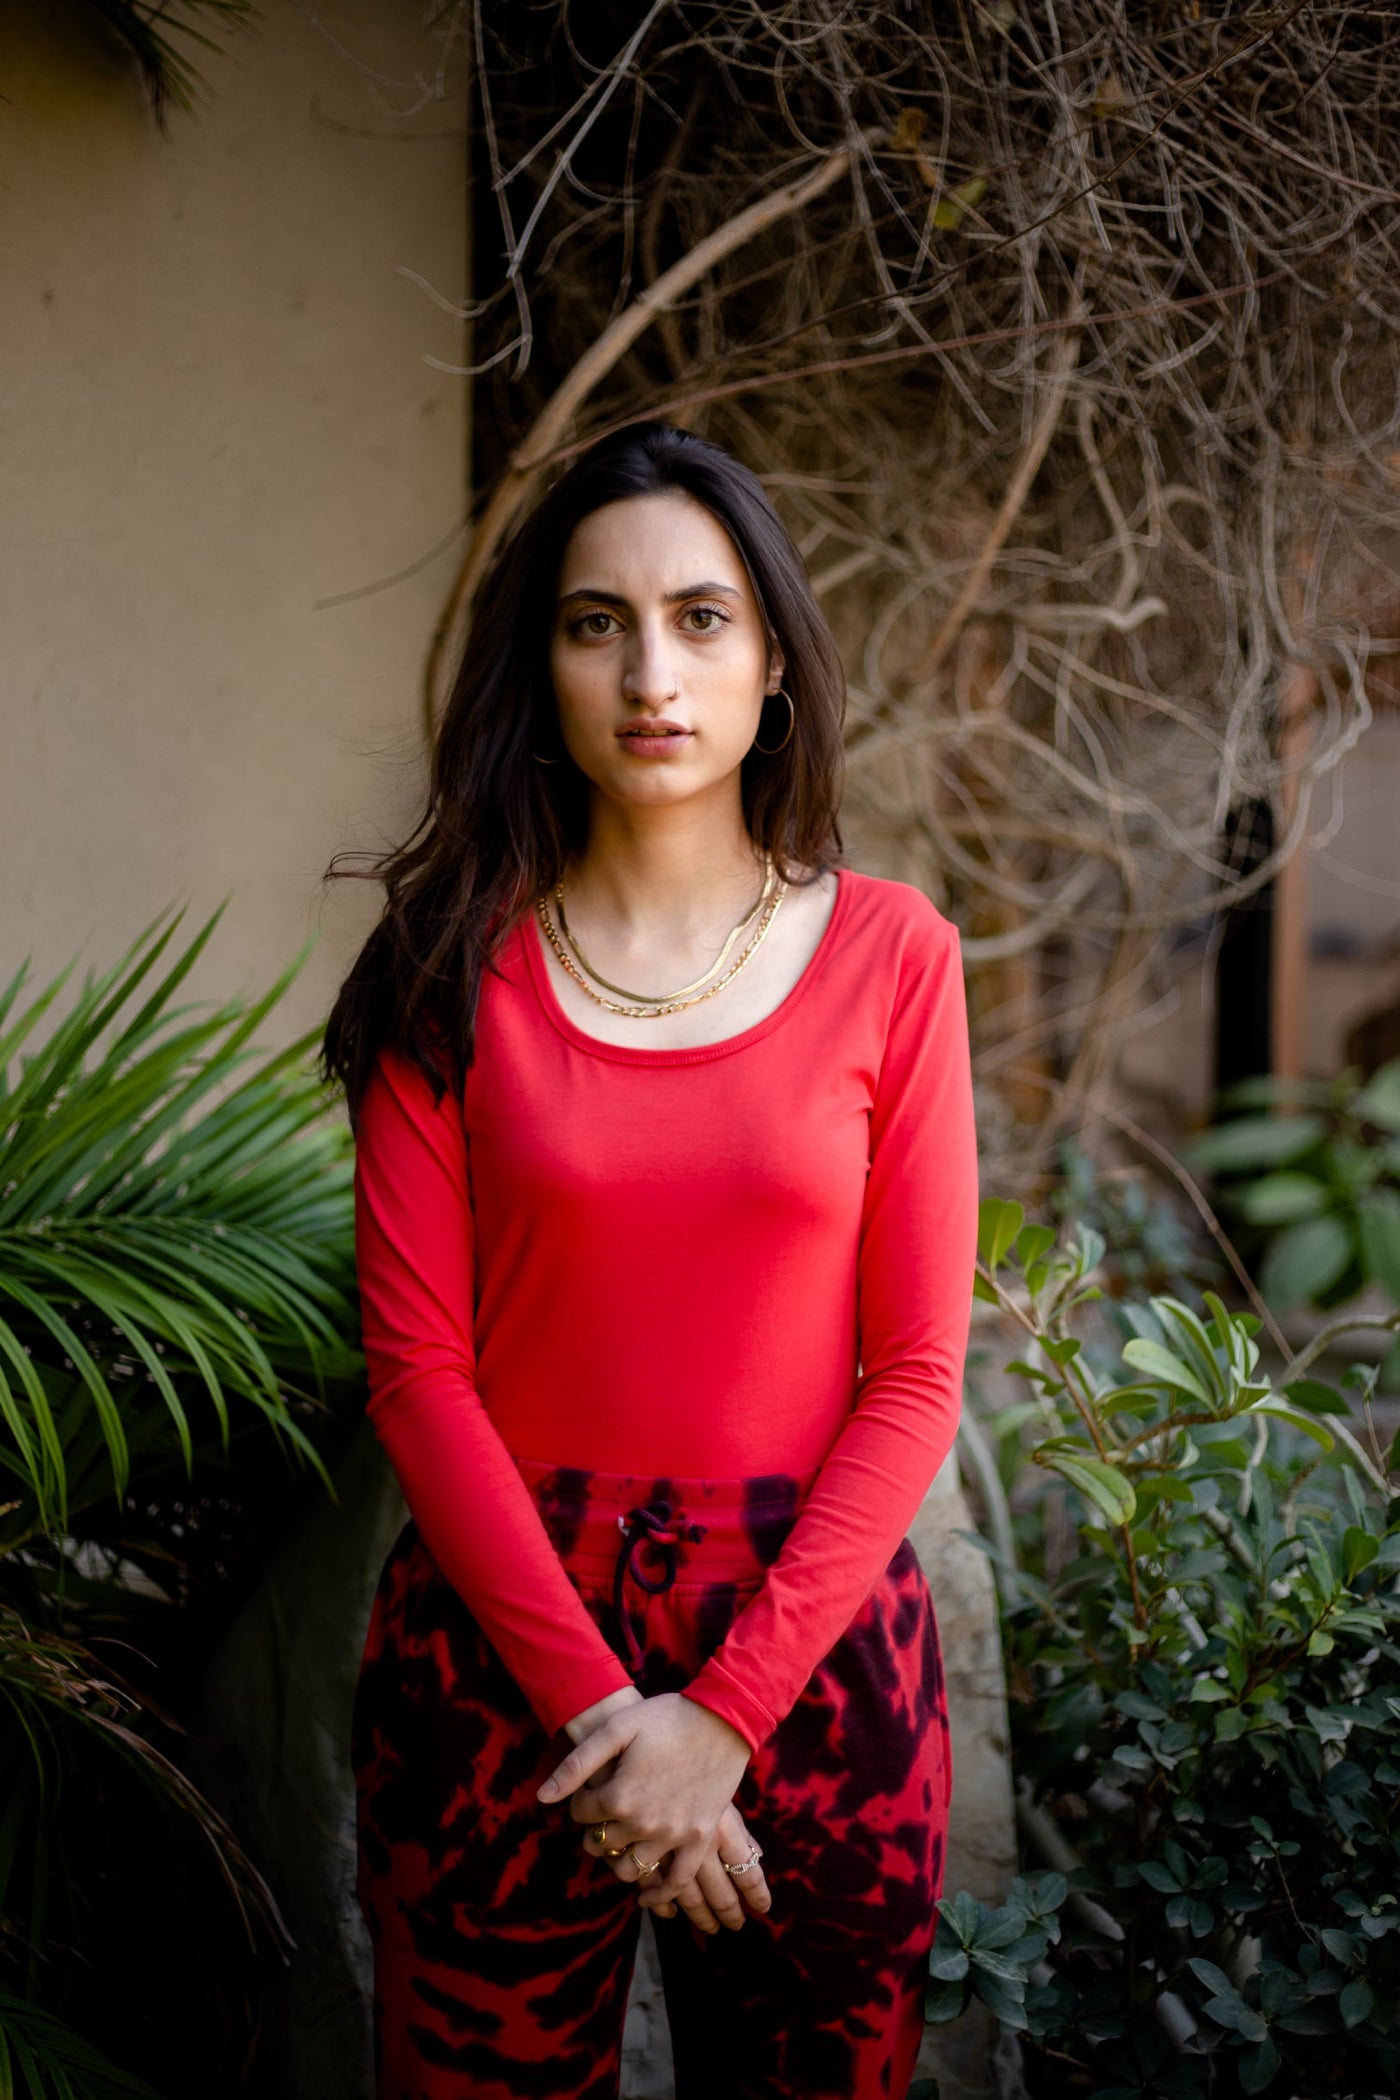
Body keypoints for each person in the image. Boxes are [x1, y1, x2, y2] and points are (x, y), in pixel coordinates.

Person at [320, 419, 980, 2100]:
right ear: (538, 666)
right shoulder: (443, 967)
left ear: (773, 664)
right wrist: (610, 1721)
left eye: (701, 618)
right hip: (495, 1668)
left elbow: (913, 1376)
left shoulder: (895, 956)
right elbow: (418, 1373)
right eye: (594, 622)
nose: (650, 672)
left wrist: (724, 1720)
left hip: (816, 1670)